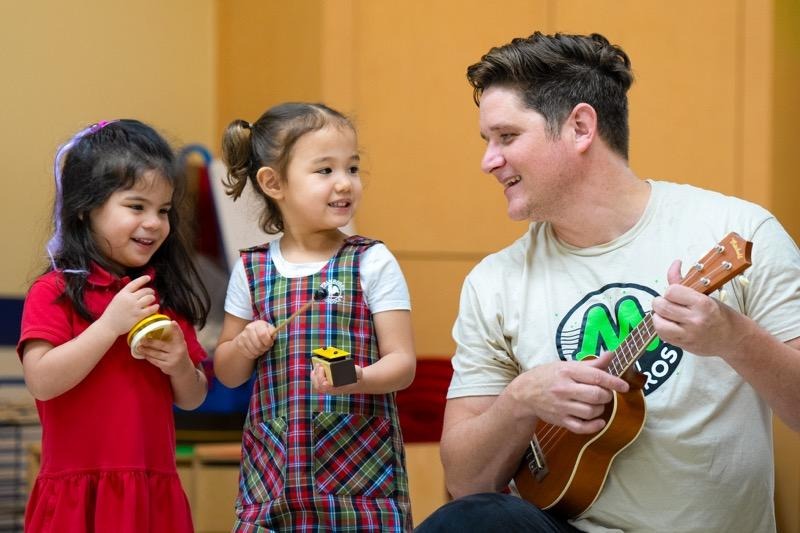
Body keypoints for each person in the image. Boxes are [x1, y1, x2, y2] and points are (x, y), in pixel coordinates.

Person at [415, 32, 800, 533]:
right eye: (488, 141)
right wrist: (521, 399)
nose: (488, 160)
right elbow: (466, 485)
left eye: (507, 137)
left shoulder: (737, 231)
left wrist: (734, 338)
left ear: (579, 127)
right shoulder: (493, 282)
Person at [214, 102, 417, 531]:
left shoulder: (371, 261)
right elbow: (228, 372)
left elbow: (402, 365)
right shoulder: (250, 270)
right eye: (325, 170)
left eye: (353, 168)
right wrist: (244, 347)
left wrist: (354, 377)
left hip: (360, 479)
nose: (345, 183)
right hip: (273, 483)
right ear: (273, 183)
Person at [18, 119, 210, 533]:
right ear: (86, 207)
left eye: (163, 210)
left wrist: (179, 366)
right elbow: (42, 381)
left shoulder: (162, 295)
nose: (155, 223)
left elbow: (193, 397)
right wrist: (109, 326)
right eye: (136, 206)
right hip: (77, 496)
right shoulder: (54, 291)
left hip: (150, 494)